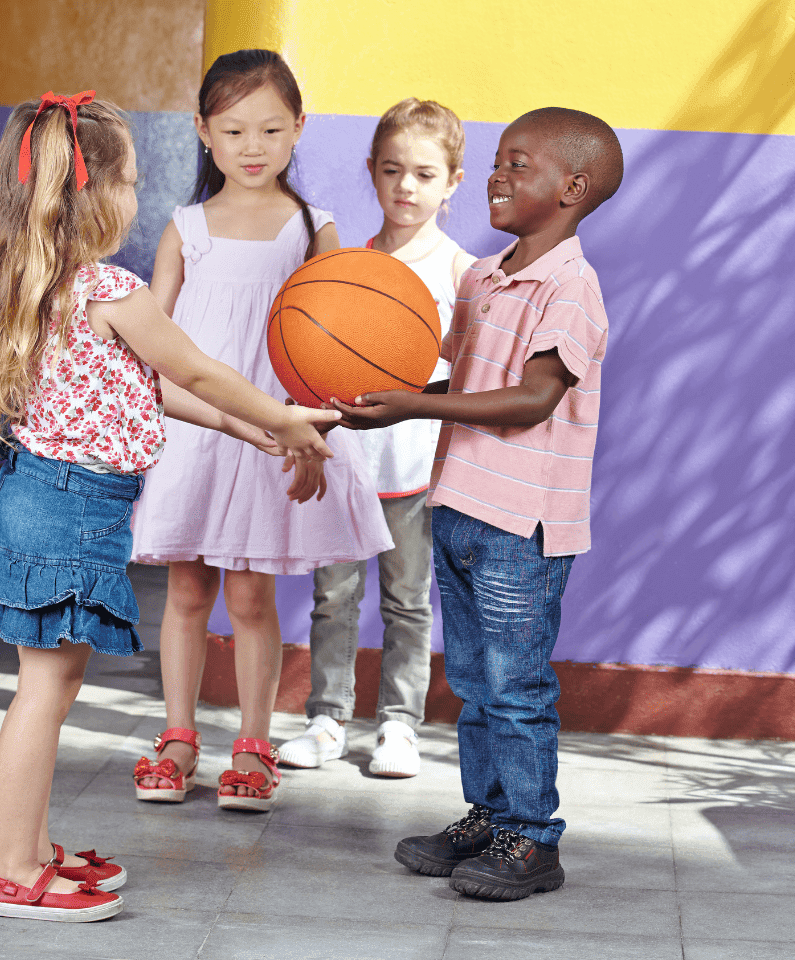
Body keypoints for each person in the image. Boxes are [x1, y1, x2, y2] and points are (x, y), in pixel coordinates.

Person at [0, 91, 339, 921]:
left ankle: (30, 844)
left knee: (44, 690)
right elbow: (194, 368)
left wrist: (259, 433)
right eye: (127, 180)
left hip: (39, 499)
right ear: (96, 195)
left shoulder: (25, 281)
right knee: (43, 696)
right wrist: (282, 416)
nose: (135, 196)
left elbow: (153, 387)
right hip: (71, 514)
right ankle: (13, 870)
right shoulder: (110, 291)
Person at [335, 107, 624, 900]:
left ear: (571, 188)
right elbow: (464, 385)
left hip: (523, 525)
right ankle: (488, 817)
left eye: (518, 163)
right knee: (470, 679)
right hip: (459, 504)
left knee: (517, 686)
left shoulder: (572, 288)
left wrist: (410, 407)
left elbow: (529, 398)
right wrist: (387, 394)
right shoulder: (483, 277)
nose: (497, 175)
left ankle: (533, 839)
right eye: (497, 160)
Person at [130, 50, 391, 811]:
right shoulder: (185, 228)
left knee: (249, 599)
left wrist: (318, 438)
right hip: (195, 432)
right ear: (203, 132)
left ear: (299, 130)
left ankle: (251, 742)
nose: (253, 145)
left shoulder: (314, 228)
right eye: (235, 129)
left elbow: (342, 350)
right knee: (183, 593)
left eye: (271, 129)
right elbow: (153, 339)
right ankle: (178, 736)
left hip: (277, 436)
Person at [278, 99, 475, 778]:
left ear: (452, 181)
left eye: (424, 174)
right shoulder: (345, 271)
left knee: (408, 601)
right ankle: (327, 719)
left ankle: (398, 725)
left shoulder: (462, 273)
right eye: (392, 171)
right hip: (349, 465)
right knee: (333, 597)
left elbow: (475, 379)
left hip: (419, 469)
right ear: (371, 172)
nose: (406, 187)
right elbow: (314, 363)